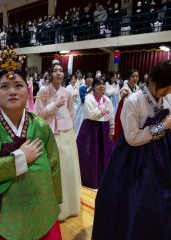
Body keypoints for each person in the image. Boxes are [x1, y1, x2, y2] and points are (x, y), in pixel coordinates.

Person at [0, 50, 62, 239]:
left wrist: (55, 200)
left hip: (40, 206)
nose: (12, 91)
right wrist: (19, 159)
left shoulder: (41, 127)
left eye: (18, 85)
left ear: (28, 91)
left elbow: (54, 167)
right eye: (4, 86)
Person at [92, 60, 171, 239]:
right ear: (152, 79)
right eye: (164, 87)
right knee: (136, 204)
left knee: (164, 204)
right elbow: (132, 137)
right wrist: (161, 127)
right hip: (135, 158)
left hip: (163, 158)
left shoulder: (170, 100)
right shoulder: (133, 101)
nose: (167, 91)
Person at [34, 62, 81, 221]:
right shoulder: (43, 91)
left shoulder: (67, 92)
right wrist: (54, 105)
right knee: (52, 167)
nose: (59, 73)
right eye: (55, 71)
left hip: (66, 132)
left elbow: (71, 112)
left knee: (67, 167)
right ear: (50, 73)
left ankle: (69, 206)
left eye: (61, 71)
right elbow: (38, 114)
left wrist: (70, 128)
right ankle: (51, 206)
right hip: (50, 133)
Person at [77, 78, 115, 189]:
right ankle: (88, 178)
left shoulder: (107, 99)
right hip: (91, 128)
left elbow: (111, 115)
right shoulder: (88, 98)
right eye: (98, 84)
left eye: (103, 84)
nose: (102, 86)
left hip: (103, 127)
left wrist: (112, 129)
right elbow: (91, 115)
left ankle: (102, 177)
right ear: (94, 86)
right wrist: (103, 107)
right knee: (90, 153)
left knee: (104, 152)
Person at [113, 69, 140, 142]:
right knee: (122, 130)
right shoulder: (125, 89)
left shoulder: (137, 88)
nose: (135, 78)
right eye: (133, 76)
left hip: (133, 111)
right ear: (128, 77)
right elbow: (121, 101)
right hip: (124, 111)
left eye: (137, 76)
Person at [74, 72, 93, 137]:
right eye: (88, 78)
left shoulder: (93, 88)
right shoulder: (82, 88)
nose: (90, 79)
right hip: (83, 108)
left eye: (91, 78)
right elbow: (83, 99)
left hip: (91, 108)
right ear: (85, 79)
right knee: (80, 122)